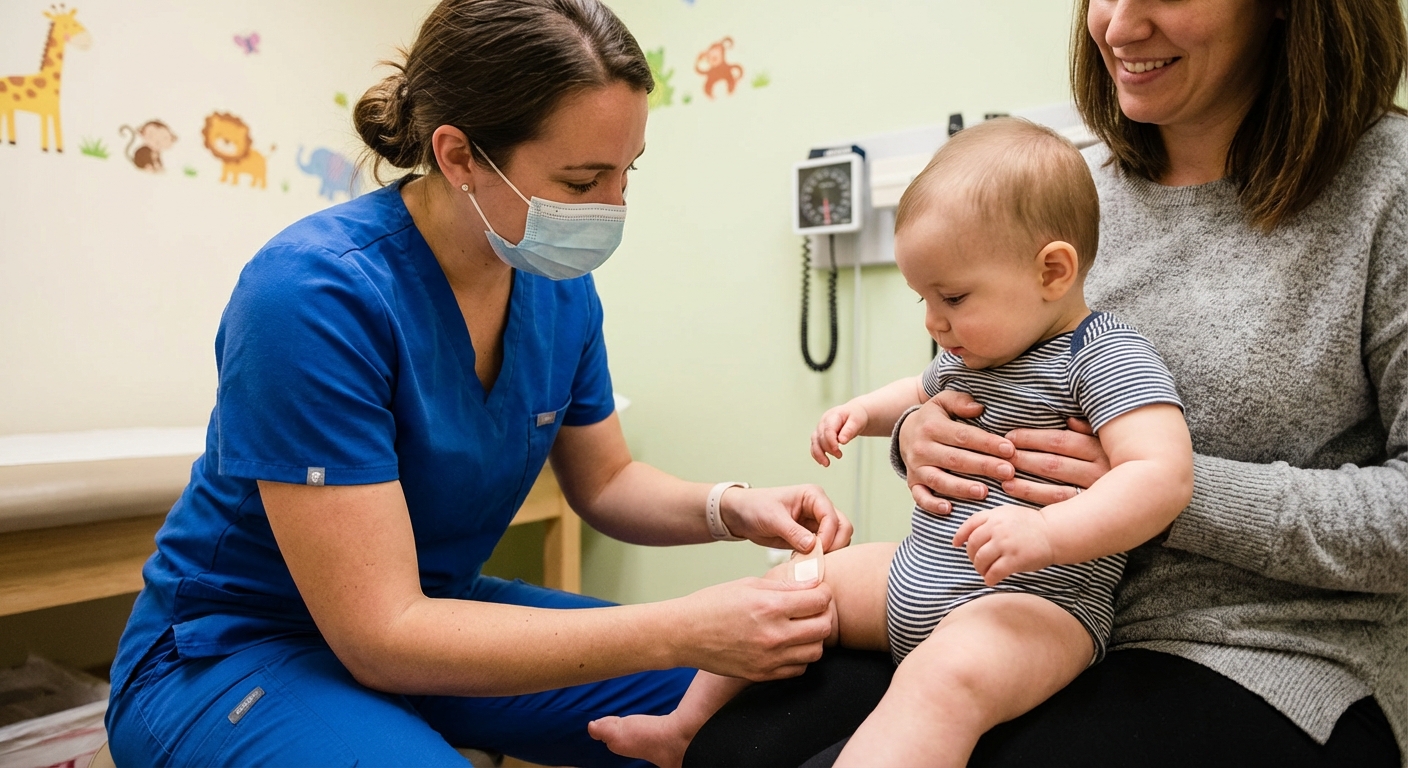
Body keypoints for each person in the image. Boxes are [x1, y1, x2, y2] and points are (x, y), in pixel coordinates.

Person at [103, 2, 851, 766]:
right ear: (458, 155)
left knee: (773, 701)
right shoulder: (314, 294)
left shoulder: (556, 290)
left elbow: (608, 480)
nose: (614, 207)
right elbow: (380, 636)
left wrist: (730, 507)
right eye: (583, 178)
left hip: (434, 620)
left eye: (627, 173)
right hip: (241, 650)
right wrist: (683, 625)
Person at [684, 1, 1408, 766]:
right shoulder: (1064, 188)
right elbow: (972, 377)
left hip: (1263, 651)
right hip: (990, 596)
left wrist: (1154, 495)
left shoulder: (1387, 189)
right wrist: (917, 436)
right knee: (733, 750)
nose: (1119, 27)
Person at [590, 117, 1194, 768]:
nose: (935, 321)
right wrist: (861, 413)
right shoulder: (975, 350)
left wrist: (1052, 534)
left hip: (1035, 602)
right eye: (922, 301)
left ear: (1052, 271)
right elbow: (916, 390)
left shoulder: (1103, 355)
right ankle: (681, 731)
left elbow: (1161, 475)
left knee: (940, 683)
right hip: (915, 574)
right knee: (792, 584)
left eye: (953, 296)